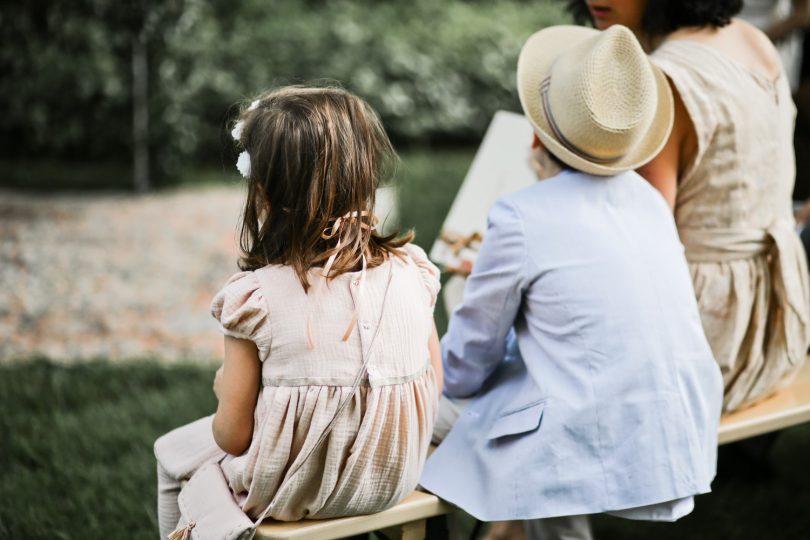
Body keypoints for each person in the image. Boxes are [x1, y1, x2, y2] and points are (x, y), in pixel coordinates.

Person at [419, 25, 723, 540]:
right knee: (555, 383)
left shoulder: (520, 214)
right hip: (676, 417)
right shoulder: (649, 201)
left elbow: (470, 361)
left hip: (589, 424)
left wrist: (423, 380)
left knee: (424, 407)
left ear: (536, 136)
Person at [153, 85, 443, 538]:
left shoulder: (257, 299)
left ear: (264, 193)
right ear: (365, 178)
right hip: (393, 479)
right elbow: (433, 384)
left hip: (286, 497)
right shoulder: (414, 273)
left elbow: (232, 436)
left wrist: (224, 388)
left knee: (171, 452)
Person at [566, 0, 810, 412]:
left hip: (708, 343)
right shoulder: (751, 40)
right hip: (781, 321)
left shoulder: (663, 78)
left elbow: (644, 251)